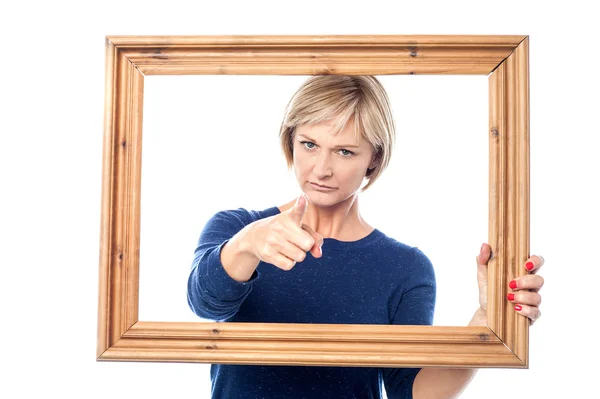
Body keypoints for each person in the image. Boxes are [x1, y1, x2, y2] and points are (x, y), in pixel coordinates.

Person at [187, 75, 545, 399]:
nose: (321, 169)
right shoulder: (236, 228)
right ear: (290, 140)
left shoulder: (405, 268)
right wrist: (248, 244)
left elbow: (413, 392)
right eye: (309, 144)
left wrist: (486, 321)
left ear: (374, 158)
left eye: (345, 151)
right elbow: (206, 302)